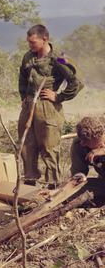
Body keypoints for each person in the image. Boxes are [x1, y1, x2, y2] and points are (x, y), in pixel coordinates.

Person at [18, 24, 83, 188]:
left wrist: (59, 96)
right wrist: (24, 96)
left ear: (44, 39)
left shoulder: (59, 58)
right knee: (26, 146)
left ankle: (52, 186)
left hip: (48, 108)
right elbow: (23, 77)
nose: (30, 45)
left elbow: (78, 82)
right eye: (29, 42)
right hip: (29, 107)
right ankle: (29, 184)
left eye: (33, 42)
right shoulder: (28, 57)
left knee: (49, 148)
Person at [69, 117, 105, 206]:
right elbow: (78, 176)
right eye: (99, 146)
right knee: (70, 195)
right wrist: (57, 191)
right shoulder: (78, 146)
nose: (103, 145)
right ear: (84, 143)